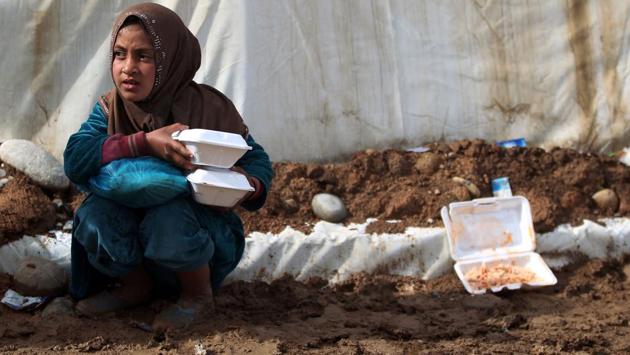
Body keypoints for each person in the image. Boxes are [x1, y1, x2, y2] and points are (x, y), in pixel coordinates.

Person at [63, 3, 272, 331]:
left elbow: (256, 159)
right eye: (120, 54)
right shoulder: (110, 109)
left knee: (168, 215)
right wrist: (143, 143)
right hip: (137, 253)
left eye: (144, 57)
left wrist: (247, 183)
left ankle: (197, 296)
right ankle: (135, 286)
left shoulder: (209, 110)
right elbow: (76, 157)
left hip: (199, 243)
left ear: (171, 61)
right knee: (94, 215)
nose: (128, 68)